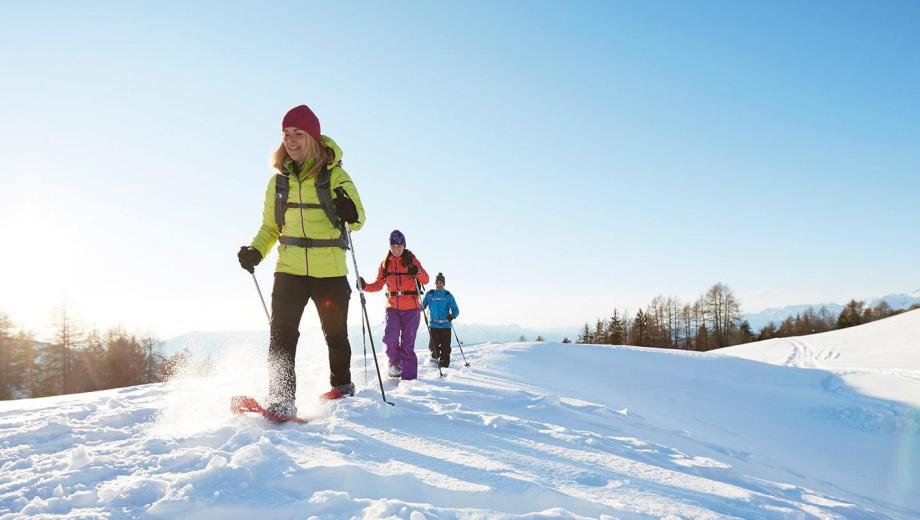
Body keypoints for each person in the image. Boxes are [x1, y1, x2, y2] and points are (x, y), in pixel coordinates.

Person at [237, 104, 365, 417]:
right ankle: (281, 399)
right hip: (290, 269)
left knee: (335, 334)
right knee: (281, 335)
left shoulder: (335, 175)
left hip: (330, 270)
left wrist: (348, 210)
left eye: (298, 133)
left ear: (313, 136)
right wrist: (255, 250)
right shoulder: (278, 182)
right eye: (286, 135)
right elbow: (270, 228)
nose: (291, 140)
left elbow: (358, 218)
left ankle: (342, 387)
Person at [359, 230, 429, 380]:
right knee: (390, 338)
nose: (396, 249)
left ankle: (409, 380)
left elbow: (426, 279)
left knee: (407, 345)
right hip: (392, 309)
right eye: (393, 246)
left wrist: (416, 271)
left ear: (404, 246)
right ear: (389, 247)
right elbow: (378, 285)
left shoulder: (412, 260)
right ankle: (394, 364)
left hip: (411, 309)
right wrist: (364, 286)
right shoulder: (385, 264)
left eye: (399, 246)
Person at [421, 272, 460, 368]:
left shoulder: (448, 295)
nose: (439, 285)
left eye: (441, 283)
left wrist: (452, 315)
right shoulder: (430, 295)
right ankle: (435, 359)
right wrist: (418, 307)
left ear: (444, 284)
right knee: (433, 346)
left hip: (446, 325)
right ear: (435, 283)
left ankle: (444, 365)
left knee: (445, 347)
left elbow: (456, 310)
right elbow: (422, 306)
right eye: (437, 283)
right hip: (433, 325)